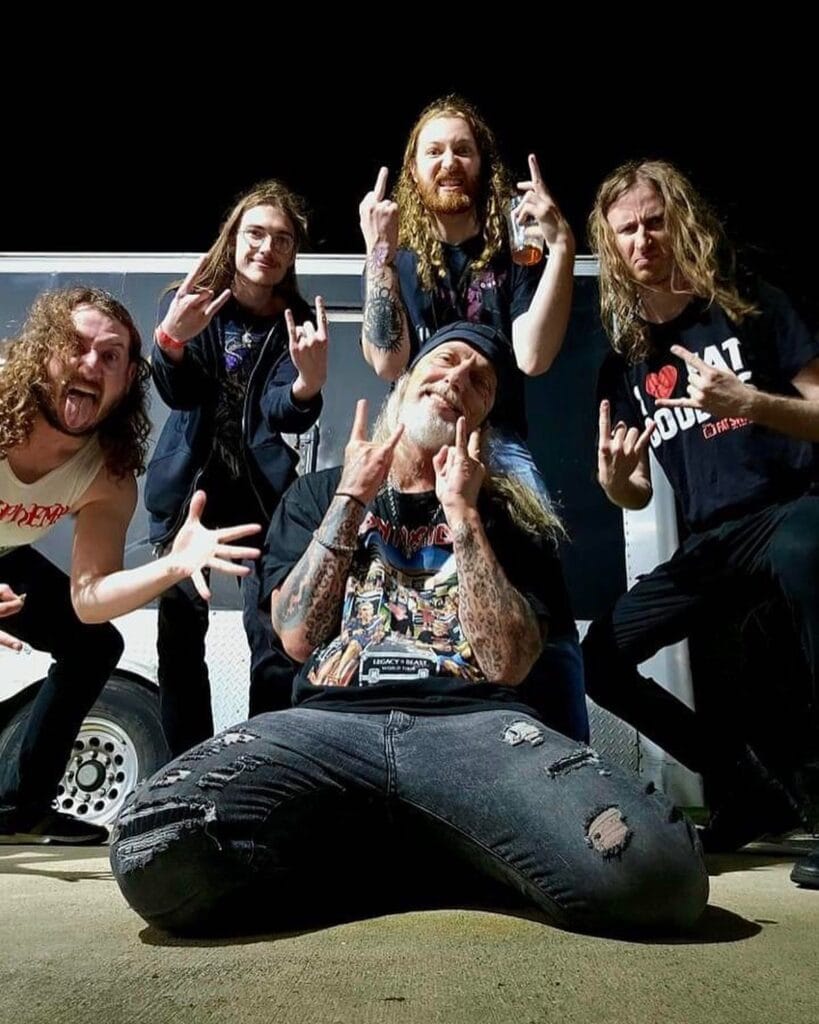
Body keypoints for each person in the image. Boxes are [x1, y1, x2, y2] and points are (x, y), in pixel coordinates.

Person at [110, 322, 707, 937]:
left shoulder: (509, 513)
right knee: (152, 849)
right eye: (446, 361)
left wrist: (463, 514)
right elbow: (296, 637)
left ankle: (382, 850)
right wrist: (351, 499)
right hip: (327, 730)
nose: (458, 379)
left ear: (484, 419)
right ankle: (443, 850)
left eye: (480, 381)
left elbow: (508, 663)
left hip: (477, 733)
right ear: (405, 380)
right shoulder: (317, 494)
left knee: (657, 872)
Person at [583, 158, 819, 889]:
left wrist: (749, 403)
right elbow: (632, 492)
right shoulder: (628, 362)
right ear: (612, 246)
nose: (643, 239)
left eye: (654, 222)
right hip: (711, 539)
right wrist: (617, 484)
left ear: (681, 222)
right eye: (627, 230)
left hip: (792, 506)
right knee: (601, 656)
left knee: (806, 556)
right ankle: (744, 789)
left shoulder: (750, 305)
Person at [358, 95, 585, 741]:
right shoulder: (401, 257)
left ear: (483, 164)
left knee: (539, 583)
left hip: (494, 439)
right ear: (414, 169)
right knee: (367, 568)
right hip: (411, 435)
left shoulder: (514, 251)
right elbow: (386, 360)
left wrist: (562, 246)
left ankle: (567, 751)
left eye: (462, 149)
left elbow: (532, 357)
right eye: (433, 151)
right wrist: (378, 255)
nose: (448, 161)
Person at [0, 287, 261, 844]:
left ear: (125, 384)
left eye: (111, 356)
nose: (91, 363)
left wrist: (175, 565)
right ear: (42, 351)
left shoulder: (106, 475)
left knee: (92, 645)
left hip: (7, 557)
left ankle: (22, 807)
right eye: (76, 345)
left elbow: (89, 600)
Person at [145, 180, 328, 758]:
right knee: (180, 636)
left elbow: (282, 411)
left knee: (271, 636)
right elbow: (180, 394)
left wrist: (307, 382)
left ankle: (259, 763)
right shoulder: (191, 299)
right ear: (234, 236)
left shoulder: (295, 320)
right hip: (189, 493)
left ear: (292, 254)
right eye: (256, 233)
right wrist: (172, 342)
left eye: (282, 239)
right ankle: (187, 766)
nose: (267, 247)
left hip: (259, 497)